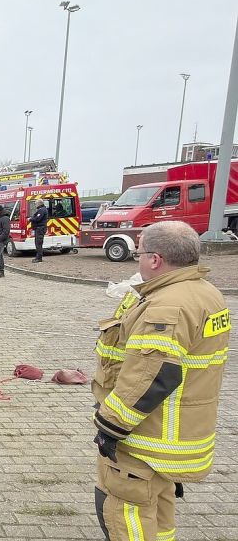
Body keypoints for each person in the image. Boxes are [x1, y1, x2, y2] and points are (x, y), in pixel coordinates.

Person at [92, 221, 229, 541]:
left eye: (139, 253)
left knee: (125, 513)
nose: (137, 259)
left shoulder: (167, 305)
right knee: (159, 512)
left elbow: (152, 373)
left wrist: (110, 425)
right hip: (178, 433)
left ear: (155, 259)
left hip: (145, 436)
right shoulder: (206, 293)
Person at [30, 198, 49, 263]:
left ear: (39, 204)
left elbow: (37, 219)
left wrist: (30, 219)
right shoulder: (42, 209)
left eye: (35, 204)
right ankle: (38, 257)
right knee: (38, 243)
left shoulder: (42, 210)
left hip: (40, 228)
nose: (35, 205)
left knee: (38, 243)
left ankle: (39, 258)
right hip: (39, 228)